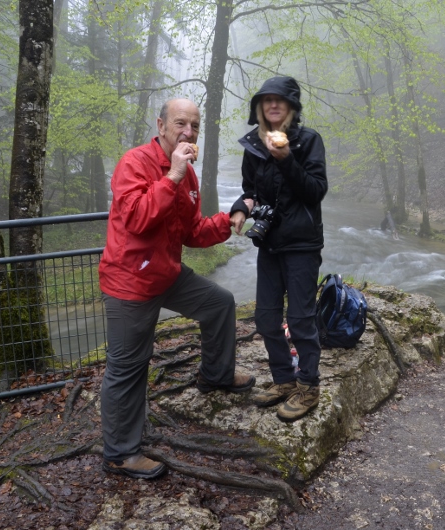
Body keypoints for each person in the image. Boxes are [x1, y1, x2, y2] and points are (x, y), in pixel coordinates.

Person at [98, 98, 255, 479]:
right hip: (130, 281)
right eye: (181, 123)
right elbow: (136, 219)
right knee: (128, 367)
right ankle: (120, 454)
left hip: (166, 273)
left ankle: (215, 375)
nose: (188, 132)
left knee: (219, 302)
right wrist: (172, 176)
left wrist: (229, 219)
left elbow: (190, 232)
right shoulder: (135, 163)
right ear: (162, 126)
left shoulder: (190, 177)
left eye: (195, 126)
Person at [230, 76, 328, 422]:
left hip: (301, 243)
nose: (273, 105)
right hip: (269, 243)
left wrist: (286, 158)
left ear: (291, 107)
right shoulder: (253, 146)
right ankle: (284, 380)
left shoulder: (307, 141)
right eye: (266, 100)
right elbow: (249, 190)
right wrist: (240, 209)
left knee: (300, 318)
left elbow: (315, 191)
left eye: (280, 101)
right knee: (267, 317)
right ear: (259, 108)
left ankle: (309, 386)